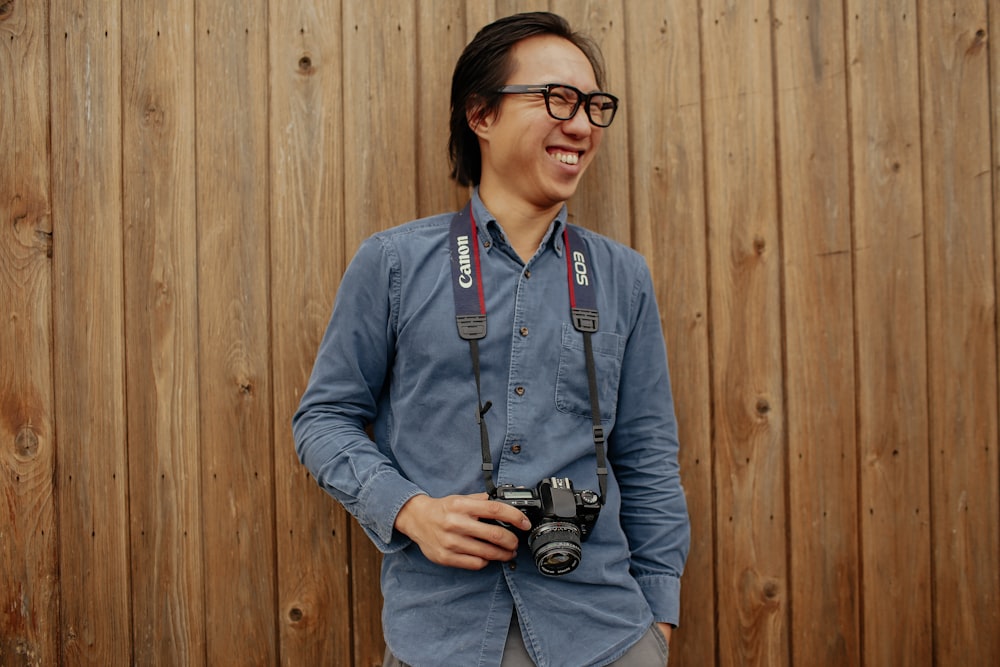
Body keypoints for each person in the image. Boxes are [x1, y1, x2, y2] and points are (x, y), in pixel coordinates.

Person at [293, 11, 690, 667]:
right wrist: (411, 510)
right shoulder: (393, 264)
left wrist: (658, 628)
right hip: (439, 639)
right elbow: (324, 417)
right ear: (481, 114)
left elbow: (648, 457)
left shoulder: (623, 277)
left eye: (594, 106)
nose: (583, 124)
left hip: (607, 636)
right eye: (557, 98)